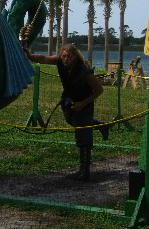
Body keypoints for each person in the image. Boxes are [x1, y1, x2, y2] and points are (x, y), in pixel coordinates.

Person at [25, 44, 107, 181]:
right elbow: (44, 58)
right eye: (64, 56)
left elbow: (99, 90)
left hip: (84, 102)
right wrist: (29, 56)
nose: (66, 59)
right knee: (73, 122)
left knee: (83, 134)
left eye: (69, 56)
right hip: (69, 100)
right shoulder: (59, 62)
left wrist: (82, 104)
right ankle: (101, 126)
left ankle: (84, 171)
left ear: (75, 57)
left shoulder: (84, 71)